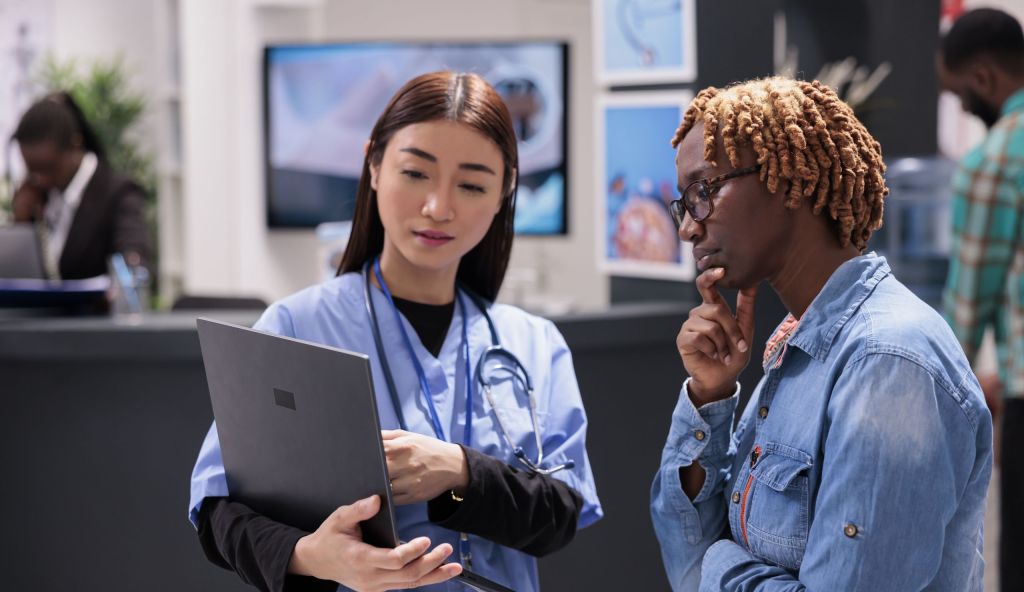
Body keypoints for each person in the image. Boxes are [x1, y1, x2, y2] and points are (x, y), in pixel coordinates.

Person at [188, 72, 602, 592]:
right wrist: (314, 556)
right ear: (374, 165)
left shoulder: (533, 344)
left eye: (472, 184)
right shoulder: (294, 327)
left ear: (505, 191)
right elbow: (221, 511)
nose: (438, 208)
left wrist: (458, 473)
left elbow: (561, 515)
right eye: (415, 173)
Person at [650, 76, 992, 591]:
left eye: (704, 190)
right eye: (684, 202)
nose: (688, 227)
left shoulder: (888, 361)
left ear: (788, 182)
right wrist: (710, 394)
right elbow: (682, 552)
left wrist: (716, 569)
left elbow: (698, 569)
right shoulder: (801, 352)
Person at [937, 8, 1024, 591]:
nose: (964, 108)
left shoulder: (994, 158)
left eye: (960, 95)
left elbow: (966, 312)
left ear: (985, 79)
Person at [10, 91, 150, 279]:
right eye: (32, 169)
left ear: (75, 145)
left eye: (48, 167)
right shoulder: (38, 198)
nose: (40, 179)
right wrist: (23, 224)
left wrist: (127, 273)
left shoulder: (119, 193)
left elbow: (133, 260)